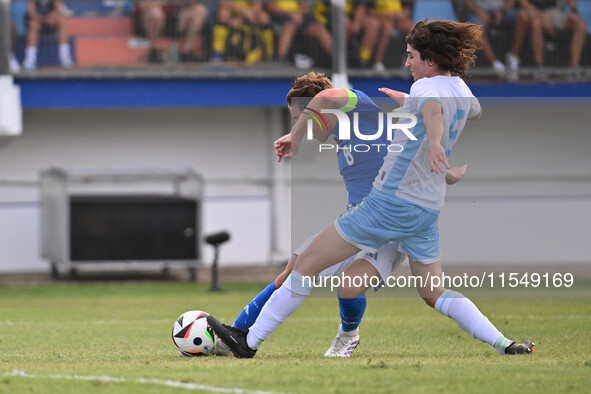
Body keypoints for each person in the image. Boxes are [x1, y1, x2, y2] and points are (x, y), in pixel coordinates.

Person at [207, 19, 534, 358]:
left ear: (430, 58)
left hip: (388, 205)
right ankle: (505, 344)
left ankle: (247, 342)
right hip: (427, 209)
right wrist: (419, 112)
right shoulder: (461, 91)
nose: (407, 63)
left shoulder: (423, 90)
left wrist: (432, 133)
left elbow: (432, 111)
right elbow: (469, 113)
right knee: (433, 292)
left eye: (411, 56)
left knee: (304, 266)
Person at [210, 71, 467, 358]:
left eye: (302, 117)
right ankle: (236, 333)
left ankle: (348, 335)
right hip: (359, 222)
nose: (302, 125)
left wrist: (295, 136)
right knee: (291, 270)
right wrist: (445, 172)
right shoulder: (346, 135)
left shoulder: (360, 107)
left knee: (347, 286)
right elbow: (405, 157)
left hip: (387, 231)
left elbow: (329, 98)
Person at [516, 0, 586, 80]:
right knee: (536, 24)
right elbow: (522, 2)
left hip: (553, 11)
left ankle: (574, 68)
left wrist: (574, 11)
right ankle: (539, 67)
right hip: (532, 11)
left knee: (580, 24)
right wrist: (542, 16)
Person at [135, 1, 209, 63]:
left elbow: (193, 2)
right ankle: (155, 51)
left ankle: (187, 53)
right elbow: (142, 4)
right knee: (155, 13)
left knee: (200, 10)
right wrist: (167, 2)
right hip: (150, 21)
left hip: (175, 19)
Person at [312, 1, 380, 68]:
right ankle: (341, 60)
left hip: (349, 15)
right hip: (327, 13)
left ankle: (363, 60)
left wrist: (357, 23)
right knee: (344, 22)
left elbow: (360, 6)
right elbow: (333, 6)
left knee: (373, 23)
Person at [463, 0, 519, 79]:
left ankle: (513, 56)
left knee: (524, 17)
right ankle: (496, 65)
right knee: (476, 28)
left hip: (503, 11)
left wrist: (502, 12)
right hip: (478, 12)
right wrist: (479, 12)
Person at [266, 1, 332, 64]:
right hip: (280, 14)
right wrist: (290, 13)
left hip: (299, 15)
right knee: (289, 26)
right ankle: (280, 59)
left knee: (319, 28)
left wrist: (298, 13)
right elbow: (270, 6)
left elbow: (305, 7)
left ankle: (336, 58)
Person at [22, 0, 73, 71]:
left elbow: (58, 8)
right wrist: (40, 18)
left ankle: (65, 57)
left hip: (51, 20)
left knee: (61, 21)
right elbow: (31, 11)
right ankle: (30, 59)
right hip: (36, 21)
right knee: (33, 25)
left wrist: (51, 17)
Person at [372, 0, 413, 72]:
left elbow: (407, 9)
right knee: (386, 30)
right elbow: (369, 11)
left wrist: (400, 14)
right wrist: (386, 15)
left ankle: (412, 61)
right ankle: (377, 62)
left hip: (399, 18)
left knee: (414, 29)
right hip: (382, 18)